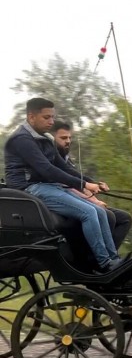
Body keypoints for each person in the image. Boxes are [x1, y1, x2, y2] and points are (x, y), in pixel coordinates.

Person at [3, 97, 122, 273]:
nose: (51, 121)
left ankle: (114, 259)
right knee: (88, 212)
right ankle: (104, 264)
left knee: (99, 211)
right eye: (46, 117)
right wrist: (83, 184)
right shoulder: (22, 139)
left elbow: (63, 167)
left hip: (47, 187)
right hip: (29, 190)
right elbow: (47, 170)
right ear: (31, 116)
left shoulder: (45, 138)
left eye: (52, 117)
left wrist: (90, 182)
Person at [51, 120, 132, 250]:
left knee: (125, 218)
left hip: (78, 199)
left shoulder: (67, 160)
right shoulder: (52, 159)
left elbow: (79, 181)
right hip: (61, 203)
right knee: (108, 216)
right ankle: (96, 259)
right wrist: (94, 201)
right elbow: (65, 186)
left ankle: (109, 256)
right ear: (52, 138)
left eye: (69, 138)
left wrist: (96, 186)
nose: (68, 141)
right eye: (63, 138)